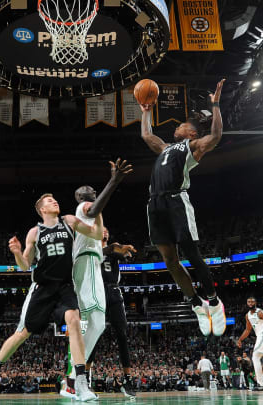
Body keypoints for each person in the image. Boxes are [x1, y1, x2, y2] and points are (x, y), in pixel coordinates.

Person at [0, 193, 105, 401]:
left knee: (74, 321)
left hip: (64, 286)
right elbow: (25, 265)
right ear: (42, 210)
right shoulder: (35, 232)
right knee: (22, 334)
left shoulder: (69, 221)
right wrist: (18, 252)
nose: (54, 201)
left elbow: (97, 234)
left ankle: (80, 383)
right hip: (42, 288)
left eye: (55, 199)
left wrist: (98, 214)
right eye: (49, 201)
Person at [138, 79, 226, 336]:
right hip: (155, 203)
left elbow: (217, 135)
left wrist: (216, 104)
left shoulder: (193, 147)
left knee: (191, 254)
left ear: (192, 133)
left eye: (182, 125)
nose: (177, 126)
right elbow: (146, 135)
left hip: (177, 200)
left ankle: (213, 301)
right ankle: (196, 304)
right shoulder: (165, 148)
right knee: (169, 260)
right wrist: (145, 113)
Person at [67, 159, 132, 392]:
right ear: (81, 196)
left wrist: (116, 248)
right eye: (89, 191)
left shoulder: (94, 222)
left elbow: (105, 244)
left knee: (93, 325)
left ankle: (73, 378)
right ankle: (77, 379)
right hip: (87, 262)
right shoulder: (84, 208)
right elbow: (93, 209)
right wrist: (113, 181)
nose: (93, 191)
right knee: (93, 320)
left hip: (87, 262)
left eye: (95, 190)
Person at [82, 227, 137, 398]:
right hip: (96, 292)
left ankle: (127, 379)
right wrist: (114, 248)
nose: (104, 231)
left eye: (106, 230)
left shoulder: (114, 249)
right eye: (101, 229)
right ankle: (85, 380)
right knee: (94, 335)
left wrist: (122, 250)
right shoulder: (90, 248)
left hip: (113, 292)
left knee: (122, 334)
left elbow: (127, 256)